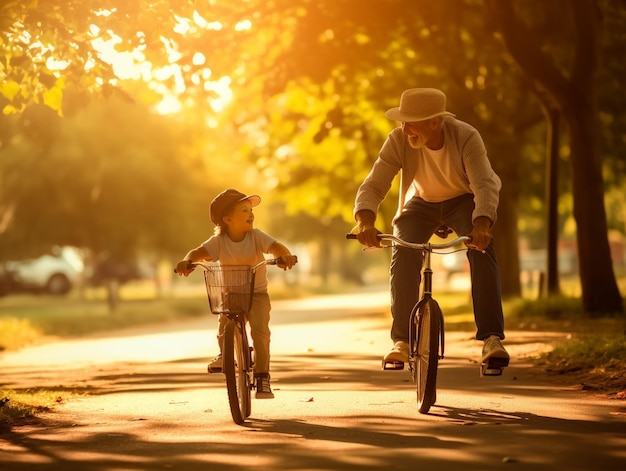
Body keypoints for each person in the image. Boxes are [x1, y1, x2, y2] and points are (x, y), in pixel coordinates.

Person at [352, 88, 509, 370]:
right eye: (402, 121)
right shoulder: (399, 140)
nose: (405, 128)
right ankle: (401, 340)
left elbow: (484, 184)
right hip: (422, 202)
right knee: (403, 251)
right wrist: (365, 220)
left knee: (482, 250)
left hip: (463, 200)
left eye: (411, 121)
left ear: (435, 122)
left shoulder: (466, 136)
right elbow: (375, 182)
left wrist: (482, 224)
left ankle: (492, 338)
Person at [175, 189, 297, 398]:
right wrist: (187, 261)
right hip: (231, 294)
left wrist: (284, 256)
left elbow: (275, 246)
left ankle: (262, 377)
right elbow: (198, 253)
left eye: (251, 210)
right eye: (244, 210)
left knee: (260, 334)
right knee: (224, 327)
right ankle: (225, 356)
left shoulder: (256, 236)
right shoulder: (219, 242)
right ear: (227, 219)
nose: (251, 214)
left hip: (256, 293)